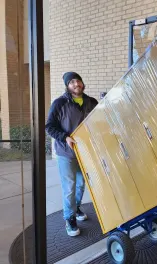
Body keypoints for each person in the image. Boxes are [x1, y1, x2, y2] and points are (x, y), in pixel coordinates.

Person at [46, 72, 98, 236]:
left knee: (81, 184)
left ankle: (76, 208)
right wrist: (65, 137)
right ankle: (69, 218)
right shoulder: (60, 103)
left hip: (85, 152)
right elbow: (49, 126)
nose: (76, 84)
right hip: (66, 153)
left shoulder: (91, 102)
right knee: (69, 187)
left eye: (78, 81)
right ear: (68, 86)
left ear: (82, 84)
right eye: (72, 82)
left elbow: (98, 121)